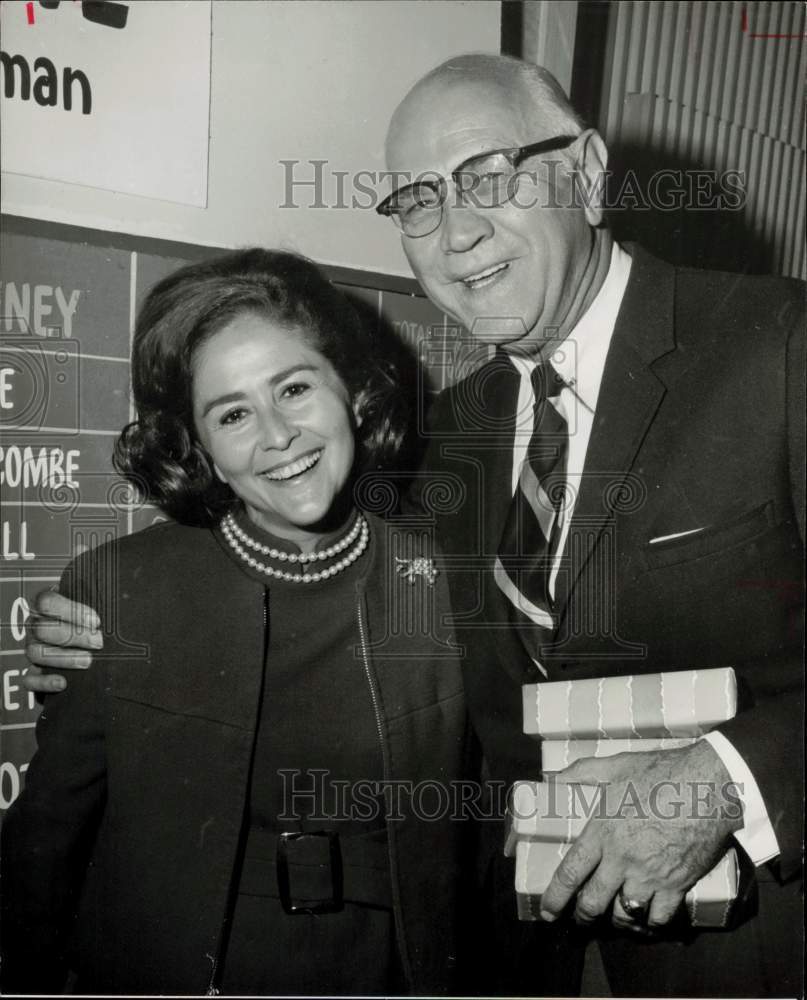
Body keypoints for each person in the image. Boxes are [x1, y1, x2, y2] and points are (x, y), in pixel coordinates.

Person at [23, 55, 805, 998]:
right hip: (524, 966)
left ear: (588, 171)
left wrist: (727, 782)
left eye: (488, 175)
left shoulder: (780, 346)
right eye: (418, 201)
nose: (458, 230)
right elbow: (292, 544)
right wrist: (96, 624)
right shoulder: (444, 444)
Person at [2, 248, 469, 995]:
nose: (277, 435)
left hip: (387, 975)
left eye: (293, 388)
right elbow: (48, 839)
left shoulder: (444, 581)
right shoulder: (120, 590)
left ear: (351, 393)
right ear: (202, 450)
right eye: (233, 413)